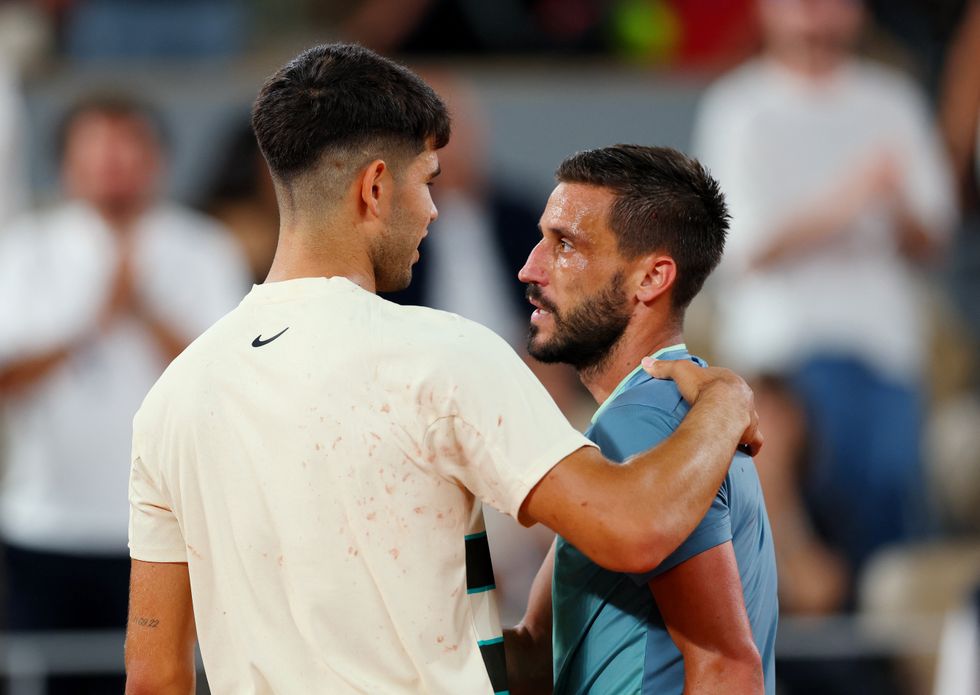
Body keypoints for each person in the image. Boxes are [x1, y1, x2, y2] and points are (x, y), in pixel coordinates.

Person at [124, 43, 762, 695]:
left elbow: (152, 677)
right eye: (427, 180)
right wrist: (726, 398)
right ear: (374, 187)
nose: (433, 208)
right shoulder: (443, 353)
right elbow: (638, 529)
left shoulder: (174, 393)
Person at [694, 0, 957, 586]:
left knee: (889, 474)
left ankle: (876, 630)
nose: (816, 13)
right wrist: (845, 201)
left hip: (885, 345)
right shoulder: (739, 107)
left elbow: (933, 233)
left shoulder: (892, 99)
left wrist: (892, 204)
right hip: (780, 347)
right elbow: (737, 247)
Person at [504, 145, 778, 695]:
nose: (529, 267)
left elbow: (726, 666)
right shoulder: (657, 418)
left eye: (564, 245)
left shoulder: (648, 422)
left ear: (651, 278)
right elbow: (537, 650)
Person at [0, 93, 249, 694]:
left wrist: (143, 308)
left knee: (158, 679)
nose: (114, 166)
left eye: (128, 149)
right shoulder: (24, 250)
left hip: (167, 526)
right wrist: (91, 322)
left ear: (157, 159)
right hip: (44, 518)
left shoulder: (204, 248)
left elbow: (233, 380)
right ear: (65, 165)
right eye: (97, 152)